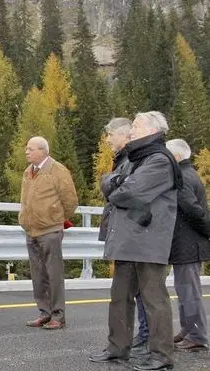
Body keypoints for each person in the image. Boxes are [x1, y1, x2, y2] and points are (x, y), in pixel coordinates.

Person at [90, 111, 181, 371]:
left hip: (149, 241)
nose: (131, 131)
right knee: (119, 297)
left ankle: (162, 356)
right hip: (128, 240)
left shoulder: (159, 160)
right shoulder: (134, 158)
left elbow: (128, 193)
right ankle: (117, 349)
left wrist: (118, 185)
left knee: (154, 299)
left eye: (137, 126)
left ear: (152, 130)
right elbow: (108, 183)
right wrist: (117, 182)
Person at [97, 118, 151, 353]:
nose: (108, 139)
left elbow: (122, 192)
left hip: (133, 233)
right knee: (136, 291)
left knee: (139, 291)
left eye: (110, 135)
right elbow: (109, 186)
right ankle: (141, 337)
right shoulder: (122, 160)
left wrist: (113, 183)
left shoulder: (132, 159)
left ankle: (145, 337)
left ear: (125, 136)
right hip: (126, 231)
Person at [20, 136, 79, 330]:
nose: (26, 151)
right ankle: (44, 312)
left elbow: (70, 201)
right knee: (38, 274)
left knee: (54, 274)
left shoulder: (58, 170)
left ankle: (58, 315)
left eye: (30, 149)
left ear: (42, 151)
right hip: (31, 230)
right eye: (27, 149)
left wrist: (56, 218)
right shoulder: (28, 172)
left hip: (50, 230)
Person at [163, 139, 208, 352]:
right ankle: (188, 331)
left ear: (177, 157)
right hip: (187, 243)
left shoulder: (181, 178)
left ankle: (197, 335)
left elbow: (194, 210)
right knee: (185, 290)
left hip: (187, 244)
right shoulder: (188, 174)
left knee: (189, 292)